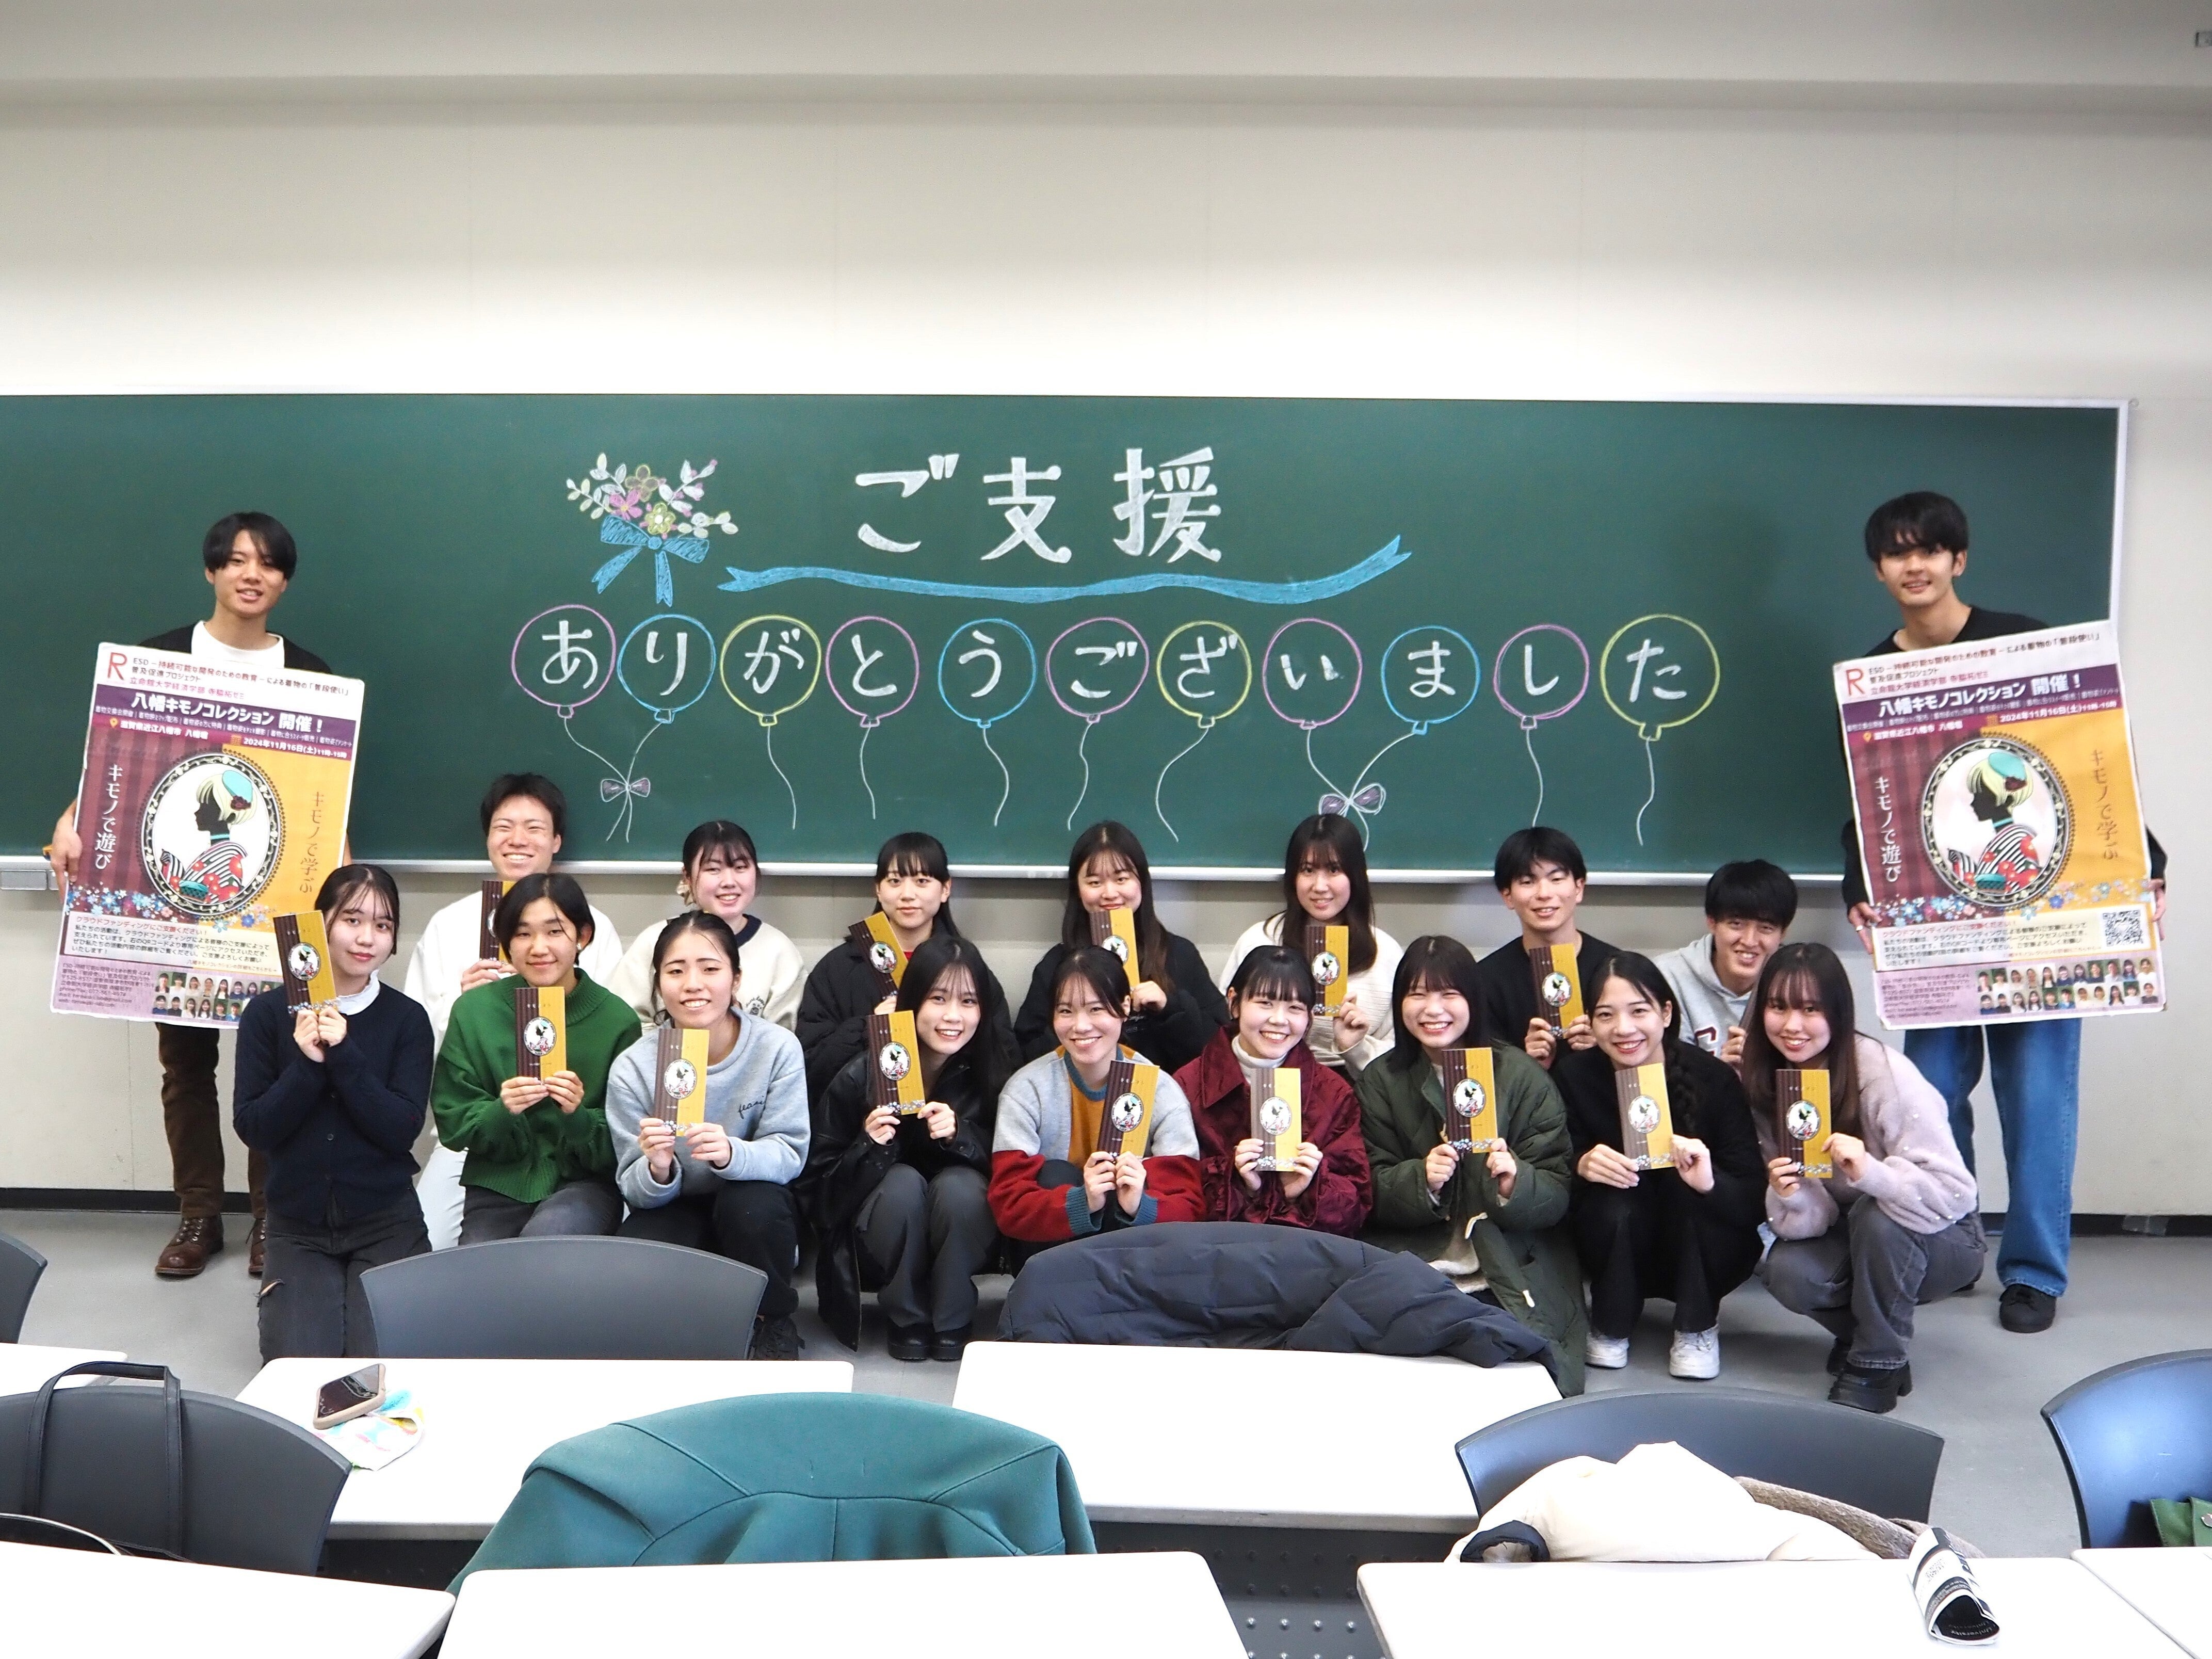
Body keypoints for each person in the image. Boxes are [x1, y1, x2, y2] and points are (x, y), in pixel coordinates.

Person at [1840, 491, 2168, 1334]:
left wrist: (2145, 867)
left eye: (1929, 549)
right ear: (1878, 570)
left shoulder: (2021, 647)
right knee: (1926, 1098)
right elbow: (1868, 805)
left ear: (1957, 559)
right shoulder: (1873, 679)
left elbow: (2090, 765)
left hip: (2039, 914)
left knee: (2037, 1100)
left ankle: (2031, 1272)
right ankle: (1949, 1244)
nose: (1914, 565)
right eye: (1897, 552)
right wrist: (1855, 888)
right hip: (1935, 924)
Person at [46, 511, 331, 1280]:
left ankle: (274, 1217)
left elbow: (322, 795)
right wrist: (69, 819)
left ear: (284, 580)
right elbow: (113, 767)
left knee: (285, 1057)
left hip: (273, 900)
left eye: (267, 562)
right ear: (211, 571)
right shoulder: (157, 662)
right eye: (235, 560)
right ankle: (199, 1212)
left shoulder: (310, 675)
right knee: (184, 1064)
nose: (251, 573)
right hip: (172, 896)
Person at [1746, 944, 1984, 1413]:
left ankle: (1879, 1360)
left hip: (1943, 1234)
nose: (1792, 1025)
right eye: (1777, 1006)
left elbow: (1955, 1192)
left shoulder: (1882, 1073)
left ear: (1837, 1012)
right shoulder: (1768, 1081)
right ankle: (1867, 1336)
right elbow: (1816, 1220)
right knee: (1787, 1270)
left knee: (1877, 1216)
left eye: (1810, 1009)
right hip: (1851, 1234)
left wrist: (1872, 1174)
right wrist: (1790, 1194)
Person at [1357, 935, 1586, 1392]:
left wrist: (1515, 1183)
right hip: (1419, 1251)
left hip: (1508, 1254)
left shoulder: (1520, 1076)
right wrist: (1419, 1181)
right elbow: (1367, 1184)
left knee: (1514, 1358)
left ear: (1473, 1000)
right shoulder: (1380, 1080)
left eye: (1449, 993)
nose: (1432, 1009)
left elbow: (1557, 1189)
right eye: (1417, 994)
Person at [403, 774, 623, 1248]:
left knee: (547, 1245)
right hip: (485, 1142)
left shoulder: (595, 926)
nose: (517, 839)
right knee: (428, 1248)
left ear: (556, 840)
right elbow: (417, 1041)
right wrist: (462, 1005)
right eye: (504, 826)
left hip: (572, 1148)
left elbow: (610, 1022)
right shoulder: (447, 924)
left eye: (534, 827)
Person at [232, 864, 432, 1360]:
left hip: (385, 1219)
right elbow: (254, 1127)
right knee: (299, 1366)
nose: (367, 938)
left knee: (384, 1363)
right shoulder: (267, 1014)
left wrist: (343, 1053)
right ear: (319, 923)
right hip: (297, 1224)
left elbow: (400, 1129)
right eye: (352, 920)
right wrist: (307, 1064)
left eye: (383, 925)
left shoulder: (407, 1018)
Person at [605, 911, 811, 1360]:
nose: (693, 984)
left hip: (749, 1194)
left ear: (736, 979)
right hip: (675, 1202)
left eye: (710, 968)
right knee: (639, 1246)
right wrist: (658, 1168)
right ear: (658, 984)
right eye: (676, 971)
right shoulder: (634, 1066)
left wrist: (732, 1153)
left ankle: (774, 1319)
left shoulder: (776, 1047)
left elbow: (789, 1152)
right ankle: (679, 1333)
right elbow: (631, 1185)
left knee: (753, 1208)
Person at [1554, 952, 1766, 1380]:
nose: (1623, 1029)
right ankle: (1610, 1321)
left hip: (1701, 1244)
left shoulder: (1713, 1079)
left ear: (1666, 1014)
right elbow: (1548, 1173)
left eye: (1639, 1011)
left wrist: (1709, 1182)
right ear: (1590, 1022)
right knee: (1614, 1201)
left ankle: (1697, 1325)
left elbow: (1751, 1197)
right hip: (1611, 1241)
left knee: (1689, 1195)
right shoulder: (1573, 1076)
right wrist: (1580, 1163)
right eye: (1606, 1015)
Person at [806, 936, 1014, 1361]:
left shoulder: (995, 1072)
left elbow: (1013, 1175)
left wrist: (962, 1135)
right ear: (911, 1003)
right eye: (938, 998)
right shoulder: (862, 1072)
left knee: (960, 1187)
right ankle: (906, 1316)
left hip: (965, 1234)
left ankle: (953, 1317)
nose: (953, 1016)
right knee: (901, 1184)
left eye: (968, 1001)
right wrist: (868, 1144)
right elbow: (818, 1195)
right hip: (875, 1240)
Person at [430, 874, 638, 1242]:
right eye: (523, 934)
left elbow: (627, 1137)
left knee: (545, 1250)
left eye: (554, 931)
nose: (538, 947)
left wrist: (577, 1116)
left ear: (583, 936)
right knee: (480, 1267)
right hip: (498, 1181)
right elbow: (453, 1117)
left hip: (583, 1185)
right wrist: (501, 1110)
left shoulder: (617, 1020)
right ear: (506, 943)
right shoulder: (474, 1010)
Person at [990, 947, 1203, 1246]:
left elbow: (1189, 1205)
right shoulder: (1026, 1090)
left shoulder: (1161, 1090)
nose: (1081, 1026)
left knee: (1136, 1181)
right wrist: (1083, 1202)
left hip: (1133, 1250)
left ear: (1125, 1007)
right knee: (1055, 1174)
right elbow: (1008, 1204)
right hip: (1051, 1252)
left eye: (1096, 1009)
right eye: (1066, 1011)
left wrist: (1139, 1205)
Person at [1175, 945, 1372, 1234]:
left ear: (1310, 1017)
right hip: (1213, 1248)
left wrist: (1306, 1189)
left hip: (1303, 1250)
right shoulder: (1186, 1085)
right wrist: (1240, 1184)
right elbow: (1174, 1193)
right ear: (1234, 1002)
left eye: (1295, 1008)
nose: (1280, 1020)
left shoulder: (1334, 1094)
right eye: (1265, 1003)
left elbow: (1358, 1205)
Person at [798, 832, 1000, 1103]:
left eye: (922, 881)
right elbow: (810, 1068)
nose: (907, 895)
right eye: (895, 881)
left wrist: (958, 1120)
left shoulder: (967, 968)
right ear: (878, 889)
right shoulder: (838, 969)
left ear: (946, 889)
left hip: (946, 1116)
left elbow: (1000, 1060)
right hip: (858, 1116)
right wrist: (868, 1027)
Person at [1013, 821, 1227, 1075]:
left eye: (1121, 879)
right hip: (1076, 1096)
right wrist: (1073, 1018)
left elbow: (1219, 1048)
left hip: (1162, 1093)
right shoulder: (1058, 964)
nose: (1110, 893)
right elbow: (1027, 1054)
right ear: (1078, 889)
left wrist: (1170, 1008)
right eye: (1094, 882)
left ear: (1142, 882)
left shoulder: (1180, 954)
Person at [1217, 813, 1404, 1075]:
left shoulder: (1386, 953)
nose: (1320, 886)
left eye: (1334, 870)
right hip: (1264, 1078)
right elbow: (1225, 1024)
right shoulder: (1260, 941)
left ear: (1355, 876)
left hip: (1358, 1082)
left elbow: (1399, 1056)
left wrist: (1355, 1048)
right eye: (1308, 870)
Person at [606, 819, 803, 1035]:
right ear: (688, 877)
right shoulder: (654, 941)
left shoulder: (778, 950)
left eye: (740, 867)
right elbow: (623, 1022)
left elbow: (783, 1037)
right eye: (713, 869)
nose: (729, 881)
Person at [1476, 827, 1618, 1072]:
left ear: (1579, 887)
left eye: (1556, 879)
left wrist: (1608, 1048)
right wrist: (1523, 1064)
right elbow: (1483, 1075)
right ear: (1507, 896)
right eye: (1528, 882)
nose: (1544, 894)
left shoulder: (1617, 969)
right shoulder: (1485, 980)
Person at [1655, 860, 1799, 1064]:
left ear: (1783, 933)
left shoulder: (1800, 983)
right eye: (1736, 924)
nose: (1750, 941)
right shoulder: (1667, 977)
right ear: (1712, 923)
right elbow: (1665, 1070)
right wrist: (1721, 1073)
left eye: (1766, 928)